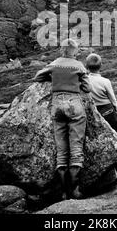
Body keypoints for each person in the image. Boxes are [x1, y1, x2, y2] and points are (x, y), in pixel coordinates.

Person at [33, 39, 91, 199]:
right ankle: (75, 191)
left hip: (57, 104)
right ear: (74, 51)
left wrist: (52, 79)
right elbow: (88, 88)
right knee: (76, 148)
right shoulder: (78, 65)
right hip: (74, 104)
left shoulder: (54, 63)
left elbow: (37, 77)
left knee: (61, 151)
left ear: (62, 50)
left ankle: (64, 193)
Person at [86, 53, 117, 181]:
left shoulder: (84, 80)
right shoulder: (105, 81)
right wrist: (116, 112)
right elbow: (113, 100)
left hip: (93, 112)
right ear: (101, 66)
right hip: (108, 111)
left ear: (86, 66)